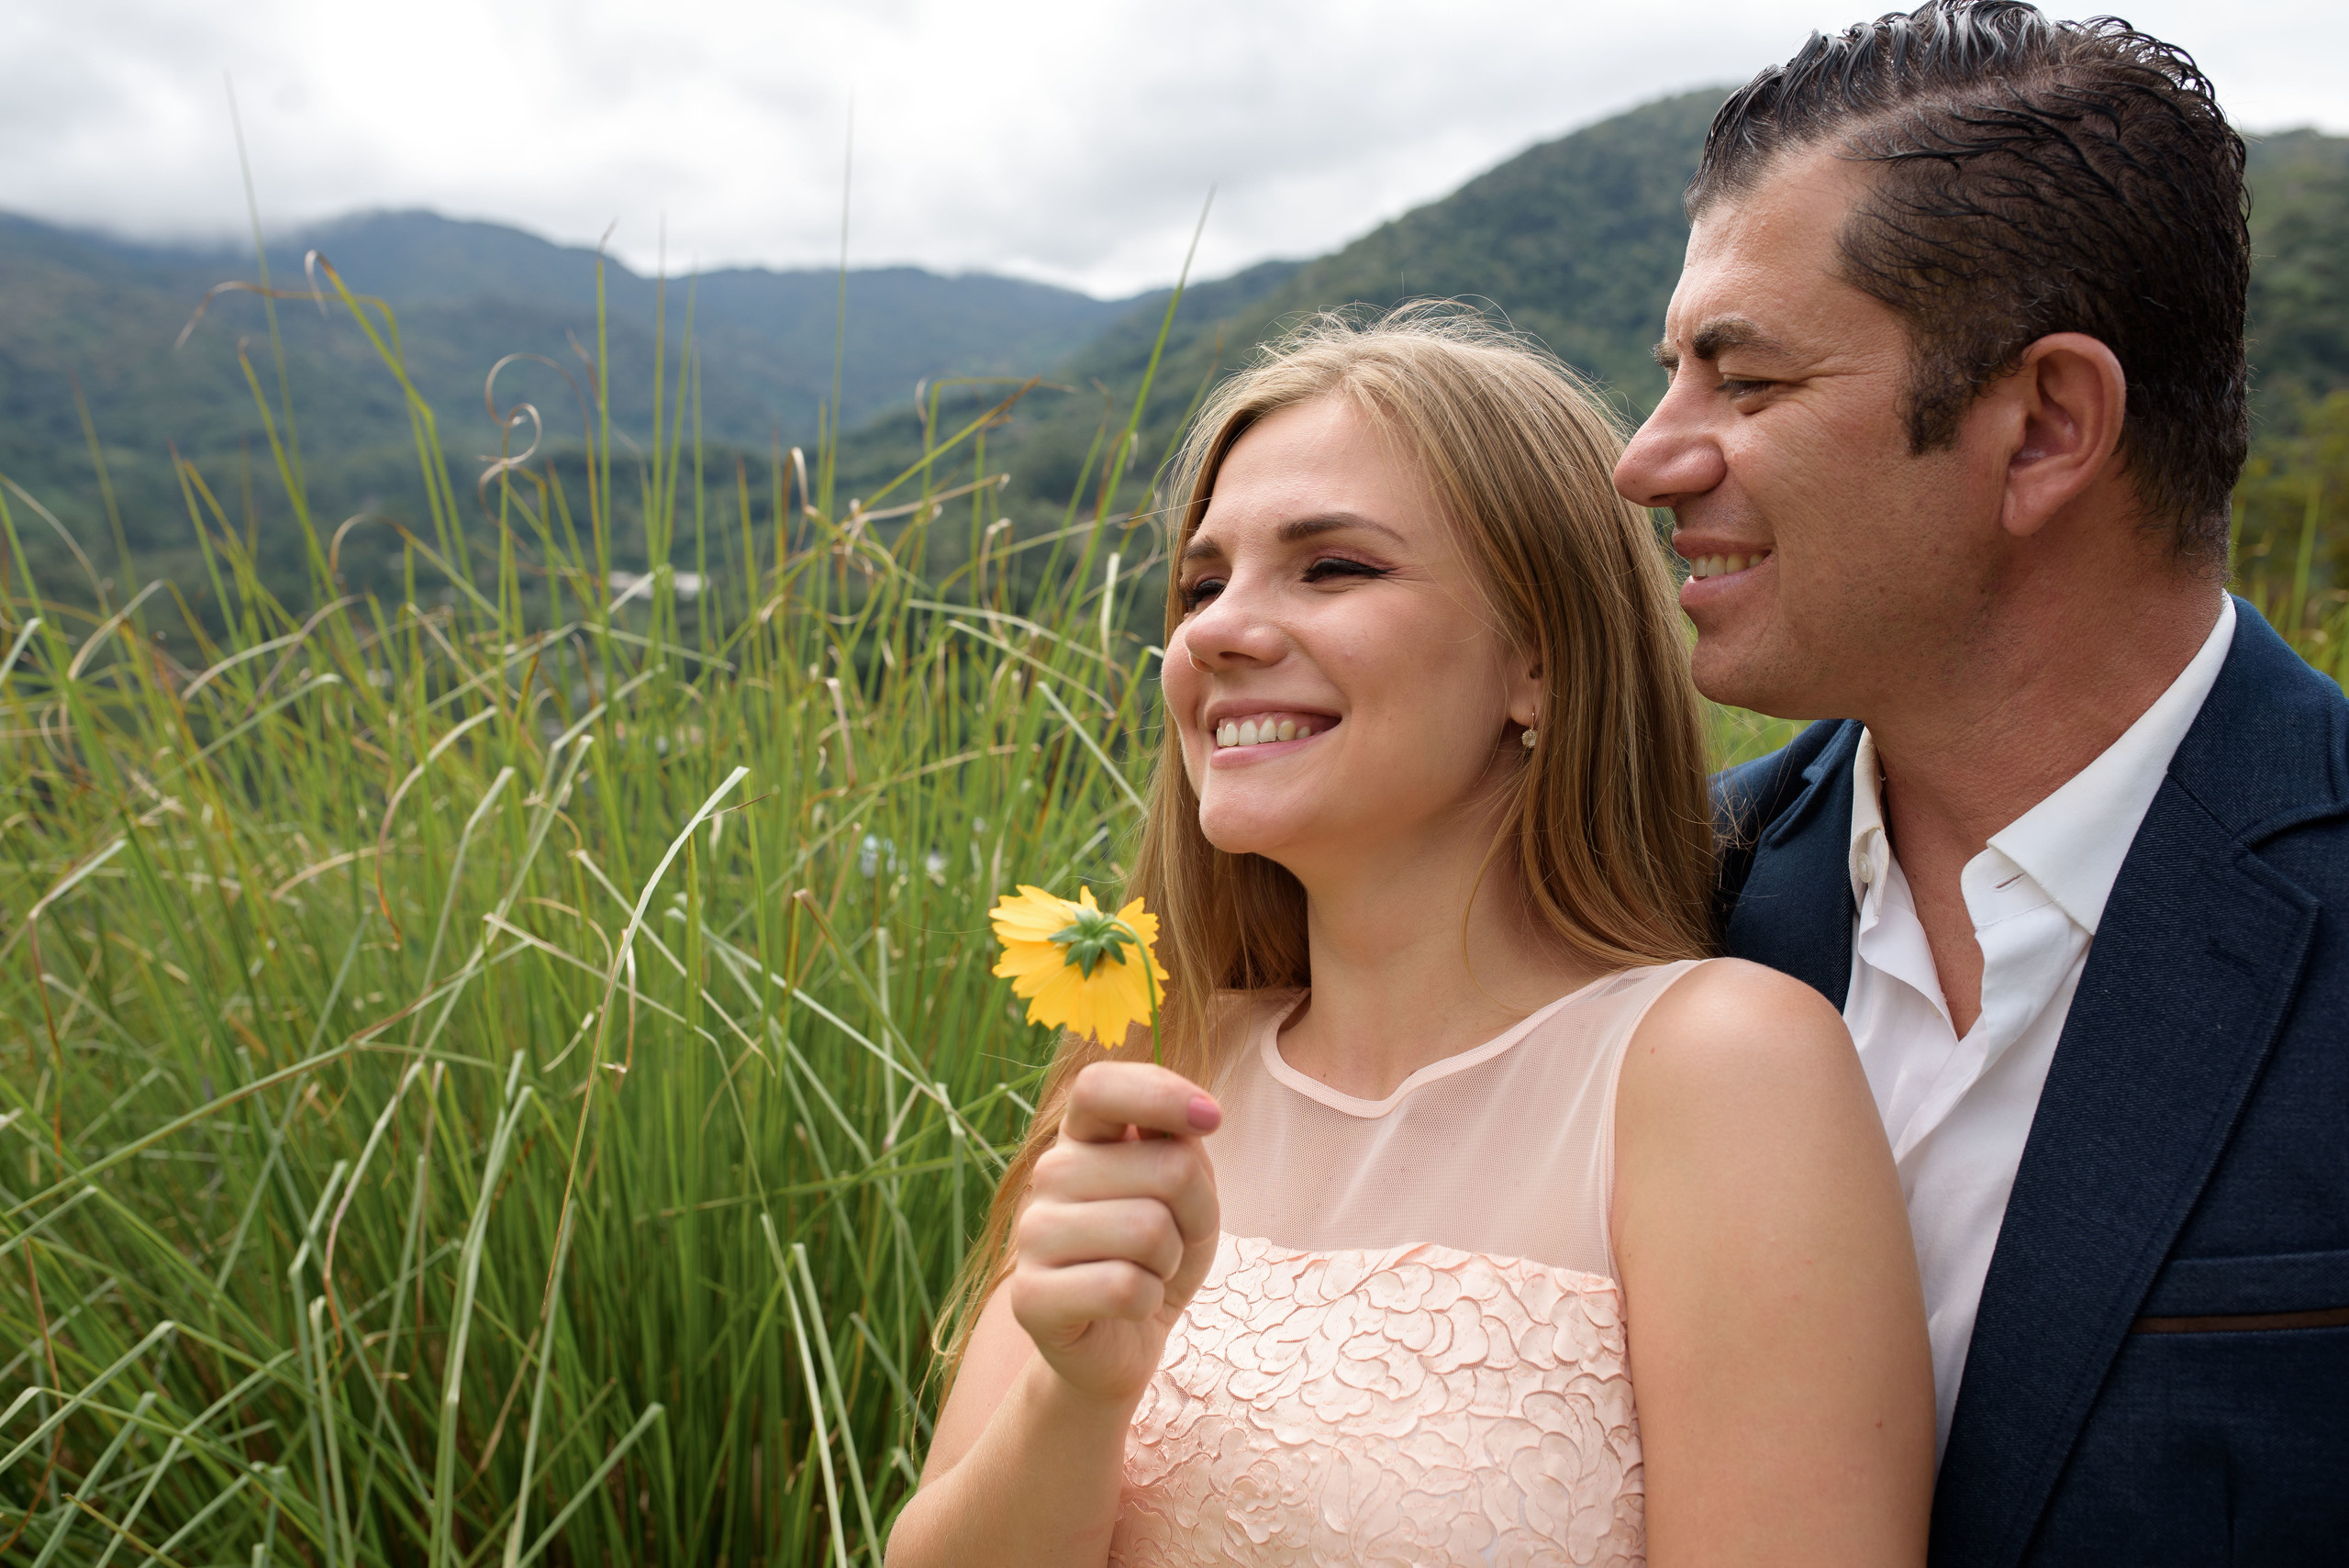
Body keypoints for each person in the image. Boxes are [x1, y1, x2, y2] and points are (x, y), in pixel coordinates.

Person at [886, 308, 1933, 1568]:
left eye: (1334, 569)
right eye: (1202, 581)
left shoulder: (1719, 1069)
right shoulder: (1165, 1060)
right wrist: (1078, 1391)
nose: (1217, 629)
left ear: (1538, 660)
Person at [1613, 4, 2349, 1563]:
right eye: (1672, 373)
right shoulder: (1652, 906)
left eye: (1741, 384)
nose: (1649, 456)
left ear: (2043, 429)